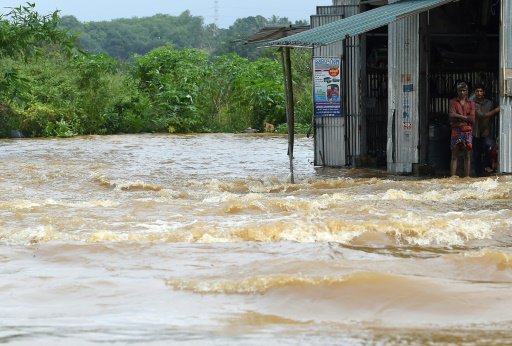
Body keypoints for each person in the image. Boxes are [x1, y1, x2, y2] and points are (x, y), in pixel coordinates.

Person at [471, 83, 500, 176]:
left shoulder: (490, 103)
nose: (479, 93)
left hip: (486, 131)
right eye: (477, 91)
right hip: (475, 132)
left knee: (488, 147)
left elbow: (492, 117)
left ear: (484, 92)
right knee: (476, 154)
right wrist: (496, 110)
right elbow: (481, 115)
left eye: (481, 91)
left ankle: (486, 166)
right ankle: (478, 174)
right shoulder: (472, 103)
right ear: (474, 92)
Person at [448, 81, 475, 177]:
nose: (462, 92)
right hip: (456, 130)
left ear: (467, 91)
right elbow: (451, 115)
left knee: (467, 155)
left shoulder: (471, 103)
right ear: (457, 91)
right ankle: (452, 176)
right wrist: (465, 118)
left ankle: (467, 176)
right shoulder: (453, 102)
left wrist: (458, 116)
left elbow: (472, 119)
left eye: (464, 90)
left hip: (467, 130)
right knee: (454, 155)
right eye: (460, 90)